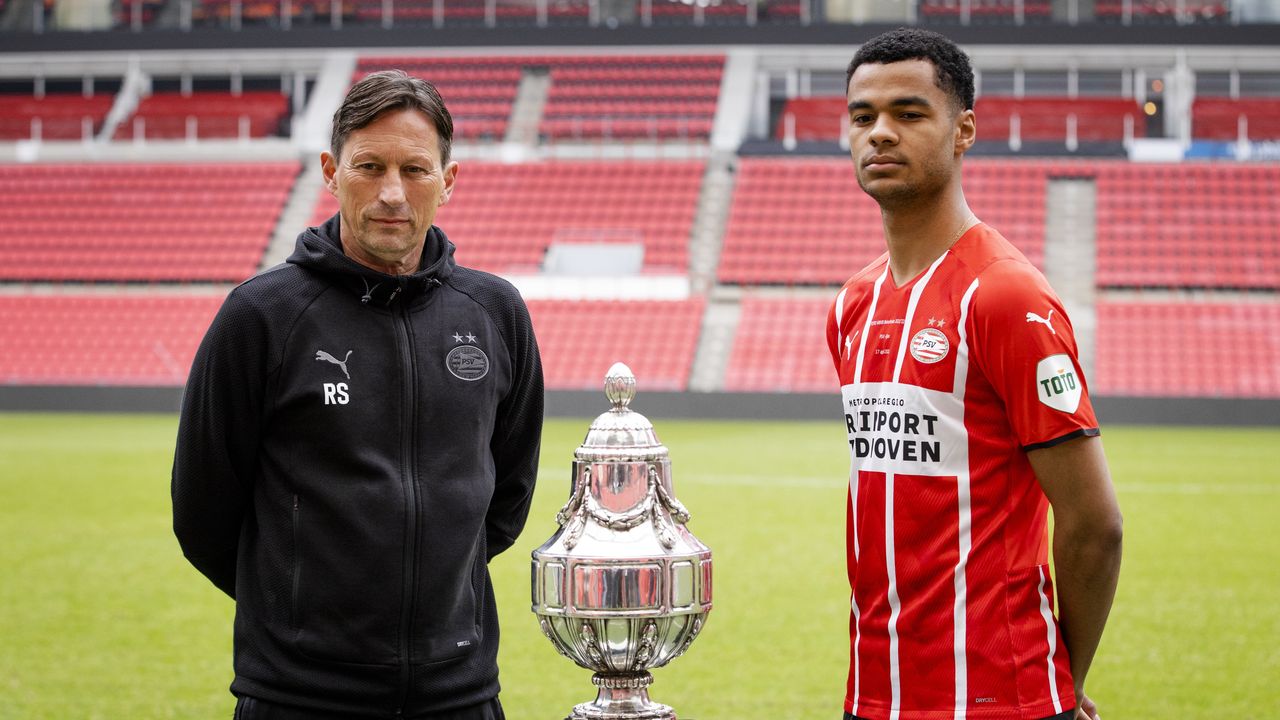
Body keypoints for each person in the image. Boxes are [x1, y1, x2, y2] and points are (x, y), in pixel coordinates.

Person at [172, 70, 543, 720]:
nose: (392, 194)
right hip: (299, 700)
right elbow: (203, 511)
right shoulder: (260, 317)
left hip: (461, 698)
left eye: (416, 170)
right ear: (331, 171)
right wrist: (297, 611)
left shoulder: (496, 313)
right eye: (369, 166)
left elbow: (507, 497)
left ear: (448, 181)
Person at [827, 28, 1123, 720]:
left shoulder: (1004, 295)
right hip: (874, 696)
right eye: (862, 116)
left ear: (963, 131)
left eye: (908, 113)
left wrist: (1060, 683)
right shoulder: (852, 304)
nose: (879, 134)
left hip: (998, 699)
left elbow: (1094, 523)